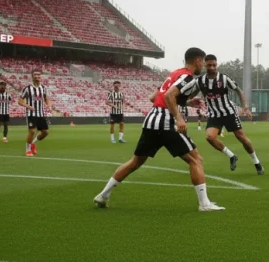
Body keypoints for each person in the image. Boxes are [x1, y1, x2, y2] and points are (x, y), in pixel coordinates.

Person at [93, 47, 223, 211]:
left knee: (135, 161)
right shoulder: (188, 77)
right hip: (166, 121)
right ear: (197, 61)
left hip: (151, 120)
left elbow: (154, 97)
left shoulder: (173, 74)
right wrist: (178, 117)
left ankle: (103, 195)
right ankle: (204, 204)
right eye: (203, 62)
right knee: (196, 159)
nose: (203, 66)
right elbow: (168, 96)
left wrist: (187, 102)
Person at [196, 54, 264, 175]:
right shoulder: (200, 81)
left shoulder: (224, 78)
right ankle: (232, 156)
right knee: (210, 137)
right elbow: (190, 93)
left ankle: (256, 162)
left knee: (241, 138)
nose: (212, 67)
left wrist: (245, 106)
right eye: (209, 65)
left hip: (229, 113)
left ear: (217, 65)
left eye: (214, 65)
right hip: (214, 114)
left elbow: (238, 90)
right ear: (205, 65)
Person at [17, 69, 54, 156]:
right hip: (31, 114)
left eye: (39, 75)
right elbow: (19, 101)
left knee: (45, 132)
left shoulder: (43, 88)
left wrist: (49, 106)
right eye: (35, 75)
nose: (37, 76)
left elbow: (47, 99)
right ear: (32, 76)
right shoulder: (27, 89)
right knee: (32, 131)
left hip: (41, 114)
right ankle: (27, 150)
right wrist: (28, 106)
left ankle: (33, 143)